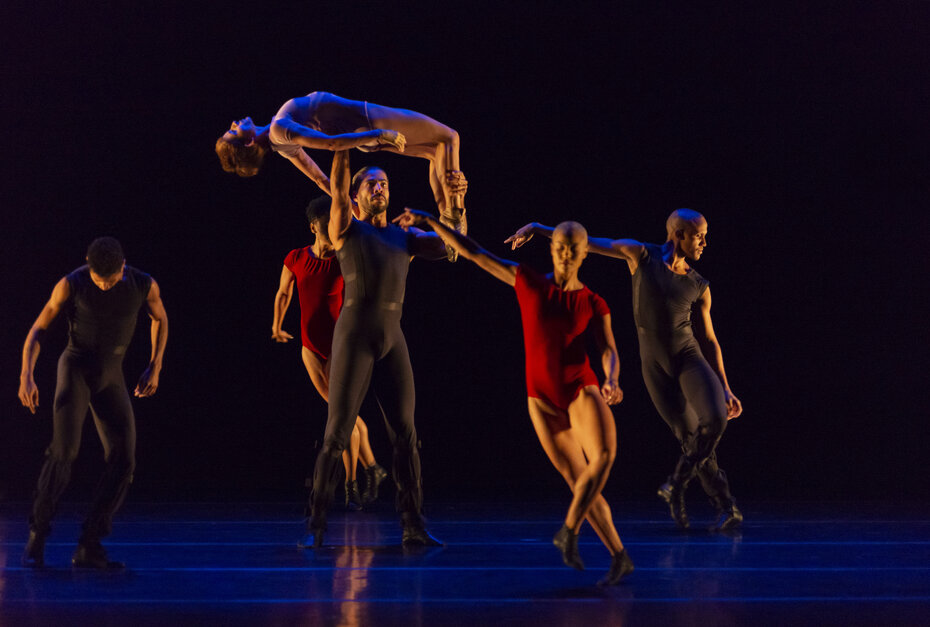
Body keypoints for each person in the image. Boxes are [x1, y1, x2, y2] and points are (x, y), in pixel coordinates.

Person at [394, 210, 635, 585]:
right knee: (579, 483)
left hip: (580, 387)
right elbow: (475, 253)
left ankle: (568, 531)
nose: (565, 255)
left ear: (585, 252)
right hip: (540, 397)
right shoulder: (529, 283)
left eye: (572, 249)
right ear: (551, 249)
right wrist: (430, 220)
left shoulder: (593, 301)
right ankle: (619, 556)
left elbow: (609, 348)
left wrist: (612, 378)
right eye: (559, 248)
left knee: (603, 457)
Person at [506, 209, 743, 531]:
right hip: (654, 366)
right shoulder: (640, 255)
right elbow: (587, 243)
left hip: (689, 357)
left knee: (714, 420)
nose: (704, 243)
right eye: (699, 236)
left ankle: (678, 484)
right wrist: (538, 227)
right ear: (679, 235)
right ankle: (724, 506)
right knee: (690, 437)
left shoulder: (699, 284)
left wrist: (726, 387)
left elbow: (710, 340)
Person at [301, 150, 454, 549]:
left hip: (391, 338)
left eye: (384, 182)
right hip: (353, 336)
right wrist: (348, 140)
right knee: (336, 434)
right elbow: (336, 184)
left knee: (406, 434)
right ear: (356, 196)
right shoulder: (346, 228)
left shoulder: (405, 237)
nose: (380, 187)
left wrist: (453, 203)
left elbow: (454, 246)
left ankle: (413, 524)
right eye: (371, 183)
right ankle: (316, 524)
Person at [18, 237, 168, 568]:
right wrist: (26, 375)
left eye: (110, 281)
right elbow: (38, 330)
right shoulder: (71, 284)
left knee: (124, 459)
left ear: (123, 267)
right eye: (98, 279)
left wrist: (155, 365)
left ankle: (89, 544)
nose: (103, 286)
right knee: (63, 454)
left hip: (110, 376)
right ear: (88, 263)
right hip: (75, 370)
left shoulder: (144, 284)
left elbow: (160, 318)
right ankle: (37, 536)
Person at [215, 91, 466, 242]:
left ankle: (450, 231)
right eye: (233, 131)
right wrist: (378, 134)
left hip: (364, 133)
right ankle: (453, 217)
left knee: (436, 153)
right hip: (370, 121)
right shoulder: (280, 130)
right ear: (248, 142)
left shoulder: (280, 143)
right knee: (450, 137)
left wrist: (352, 205)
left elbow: (319, 179)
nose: (234, 123)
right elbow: (331, 144)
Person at [272, 197, 388, 510]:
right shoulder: (295, 257)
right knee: (342, 416)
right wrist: (276, 325)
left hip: (342, 345)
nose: (332, 229)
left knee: (342, 417)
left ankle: (357, 481)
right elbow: (284, 293)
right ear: (313, 227)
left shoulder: (345, 256)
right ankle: (370, 472)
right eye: (326, 225)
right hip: (310, 347)